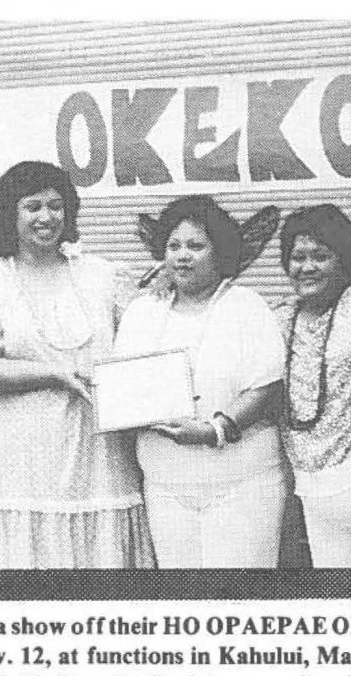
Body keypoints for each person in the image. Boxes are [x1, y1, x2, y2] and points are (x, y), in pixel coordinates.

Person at [0, 161, 152, 569]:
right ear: (10, 214)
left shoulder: (103, 275)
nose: (46, 217)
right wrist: (55, 374)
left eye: (56, 206)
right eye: (33, 207)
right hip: (19, 451)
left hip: (97, 449)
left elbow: (144, 345)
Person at [114, 195, 287, 568]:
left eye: (196, 245)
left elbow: (266, 387)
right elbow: (123, 385)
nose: (182, 256)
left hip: (242, 485)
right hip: (166, 486)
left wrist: (214, 430)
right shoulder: (144, 311)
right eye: (173, 246)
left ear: (220, 251)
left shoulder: (246, 305)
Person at [276, 205, 351, 567]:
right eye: (297, 257)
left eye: (321, 256)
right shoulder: (282, 317)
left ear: (344, 260)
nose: (307, 267)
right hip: (311, 489)